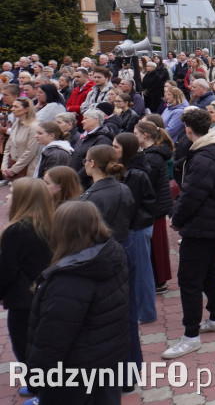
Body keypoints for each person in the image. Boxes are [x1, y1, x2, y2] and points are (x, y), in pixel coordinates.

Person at [25, 201, 129, 405]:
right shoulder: (111, 256)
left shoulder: (68, 280)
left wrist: (38, 376)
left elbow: (53, 338)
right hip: (107, 360)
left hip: (74, 374)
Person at [163, 107, 215, 359]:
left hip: (202, 224)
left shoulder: (203, 158)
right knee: (210, 271)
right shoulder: (210, 151)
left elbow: (192, 195)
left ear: (188, 130)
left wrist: (177, 219)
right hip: (210, 221)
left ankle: (191, 335)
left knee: (189, 280)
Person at [78, 144, 141, 388]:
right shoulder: (122, 188)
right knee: (128, 313)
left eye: (86, 160)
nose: (84, 163)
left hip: (102, 257)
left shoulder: (91, 198)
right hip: (124, 250)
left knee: (107, 318)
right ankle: (131, 371)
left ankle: (116, 374)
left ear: (93, 163)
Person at [0, 178, 53, 399]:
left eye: (12, 193)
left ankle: (41, 390)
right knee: (44, 344)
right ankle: (39, 385)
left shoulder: (16, 231)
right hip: (48, 295)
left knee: (24, 345)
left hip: (23, 299)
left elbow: (7, 269)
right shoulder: (51, 224)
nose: (7, 196)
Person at [113, 133, 159, 325]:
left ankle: (146, 313)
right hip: (133, 225)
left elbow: (131, 203)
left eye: (116, 147)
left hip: (138, 226)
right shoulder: (127, 169)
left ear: (126, 150)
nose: (112, 150)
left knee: (141, 272)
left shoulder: (135, 174)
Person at [134, 120, 174, 295]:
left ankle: (159, 280)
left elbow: (146, 184)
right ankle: (159, 278)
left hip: (154, 207)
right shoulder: (152, 154)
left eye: (136, 134)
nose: (134, 137)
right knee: (157, 244)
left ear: (145, 135)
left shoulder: (151, 157)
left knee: (156, 246)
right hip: (157, 205)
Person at [2, 98, 40, 184]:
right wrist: (4, 167)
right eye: (12, 106)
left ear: (26, 109)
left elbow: (31, 151)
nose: (12, 109)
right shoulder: (16, 124)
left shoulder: (34, 127)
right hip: (12, 166)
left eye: (16, 107)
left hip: (26, 169)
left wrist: (14, 170)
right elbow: (8, 147)